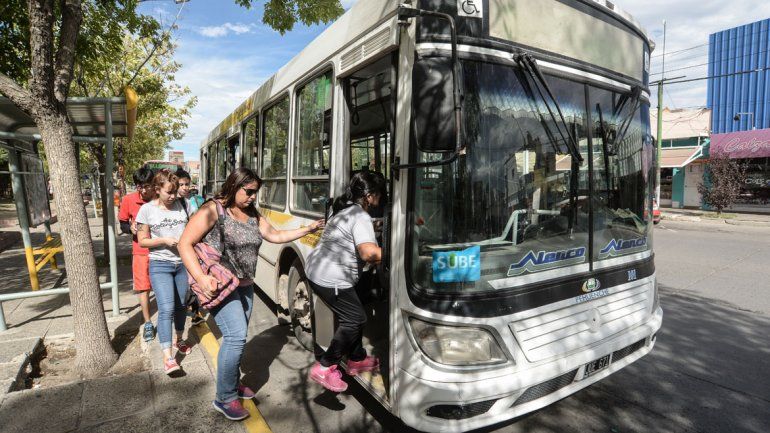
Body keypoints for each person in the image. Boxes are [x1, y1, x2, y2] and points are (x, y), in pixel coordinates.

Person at [178, 167, 324, 421]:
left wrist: (308, 229)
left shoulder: (252, 214)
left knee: (237, 339)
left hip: (245, 285)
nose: (253, 197)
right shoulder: (213, 209)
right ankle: (224, 398)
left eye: (256, 192)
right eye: (249, 191)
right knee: (235, 337)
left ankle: (232, 386)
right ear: (235, 186)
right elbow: (184, 243)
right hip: (221, 284)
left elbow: (276, 235)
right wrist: (201, 279)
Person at [304, 171, 386, 393]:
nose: (381, 199)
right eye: (380, 194)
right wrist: (399, 251)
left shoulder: (345, 209)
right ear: (369, 196)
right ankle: (325, 366)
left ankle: (357, 359)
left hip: (317, 269)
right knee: (355, 319)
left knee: (353, 310)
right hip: (331, 277)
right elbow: (368, 253)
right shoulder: (360, 216)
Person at [136, 169, 192, 375]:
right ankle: (168, 358)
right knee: (166, 308)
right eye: (169, 191)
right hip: (160, 264)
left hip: (182, 264)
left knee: (181, 305)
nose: (173, 195)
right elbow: (142, 241)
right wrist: (163, 240)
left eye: (175, 191)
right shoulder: (147, 211)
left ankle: (179, 339)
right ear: (157, 189)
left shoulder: (182, 205)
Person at [118, 165, 156, 342]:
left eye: (147, 185)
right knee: (144, 287)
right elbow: (123, 224)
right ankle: (148, 322)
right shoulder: (128, 200)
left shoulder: (160, 198)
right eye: (139, 186)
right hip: (140, 252)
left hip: (161, 250)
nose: (143, 190)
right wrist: (130, 228)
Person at [175, 168, 206, 325]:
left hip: (192, 246)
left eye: (187, 184)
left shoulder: (195, 201)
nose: (185, 187)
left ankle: (196, 312)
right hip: (175, 249)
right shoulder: (170, 202)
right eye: (181, 184)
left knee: (193, 281)